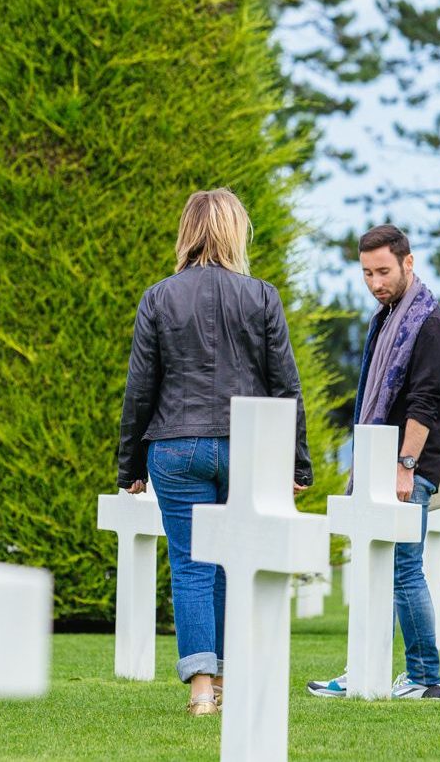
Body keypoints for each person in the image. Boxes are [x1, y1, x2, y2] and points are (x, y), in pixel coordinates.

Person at [116, 188, 313, 717]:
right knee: (231, 563)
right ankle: (226, 678)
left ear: (186, 231)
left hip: (176, 445)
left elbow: (141, 387)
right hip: (246, 446)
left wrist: (129, 465)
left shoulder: (158, 297)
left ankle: (202, 688)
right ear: (235, 231)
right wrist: (297, 462)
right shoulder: (262, 295)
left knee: (190, 565)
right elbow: (285, 386)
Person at [309, 223, 440, 701]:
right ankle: (366, 666)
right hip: (379, 459)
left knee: (403, 568)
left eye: (384, 271)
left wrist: (406, 466)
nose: (376, 283)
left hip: (406, 466)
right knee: (375, 565)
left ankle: (423, 678)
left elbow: (424, 402)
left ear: (408, 263)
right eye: (367, 273)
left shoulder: (429, 324)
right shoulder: (388, 316)